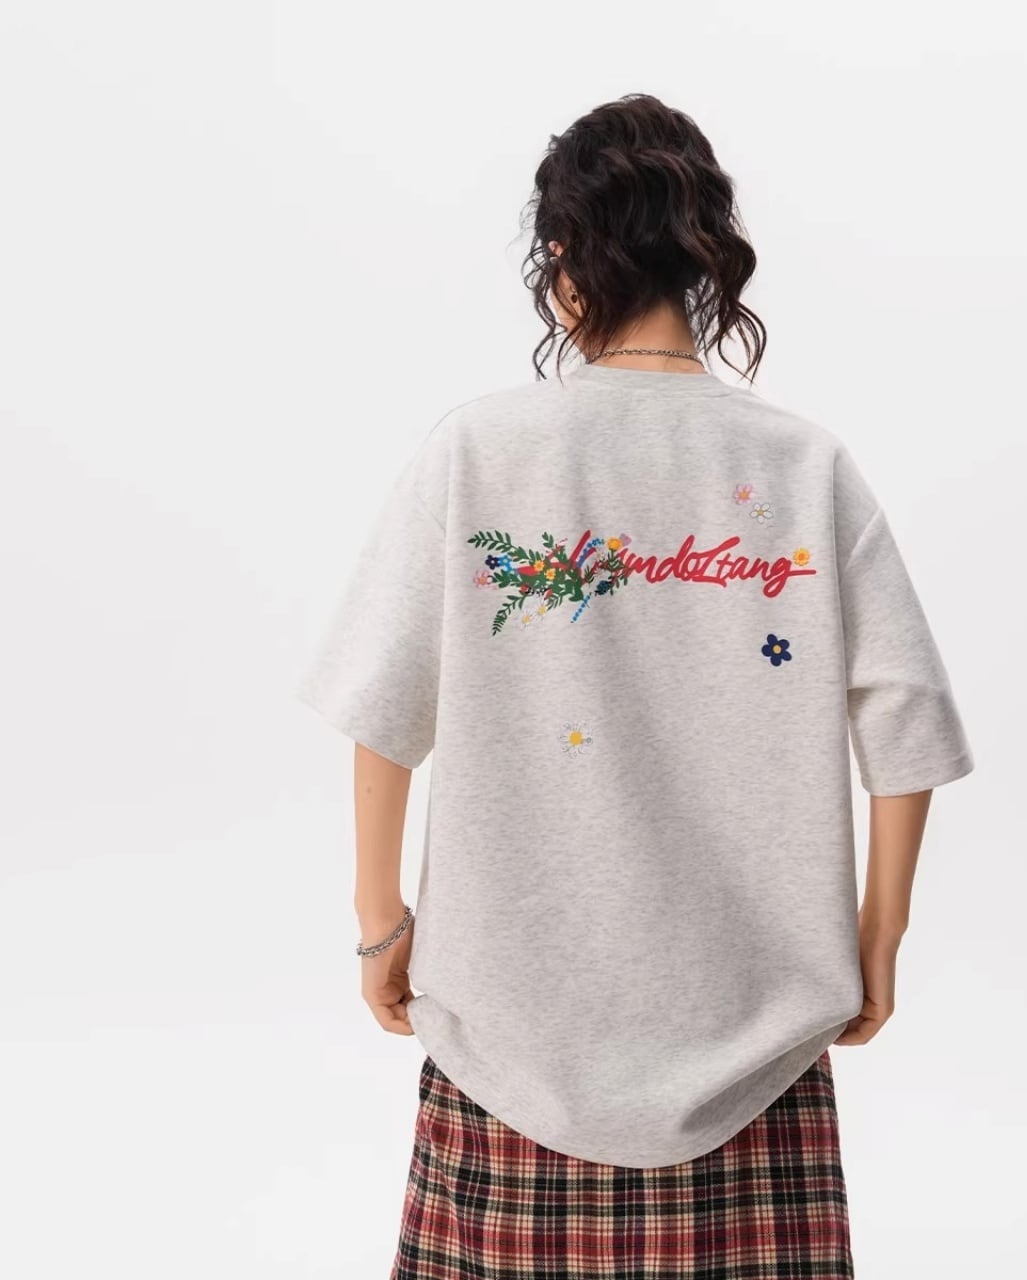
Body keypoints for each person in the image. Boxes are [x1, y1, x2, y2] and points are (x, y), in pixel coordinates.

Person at [298, 91, 975, 1280]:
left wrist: (379, 921)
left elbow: (382, 708)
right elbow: (905, 721)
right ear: (702, 252)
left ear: (563, 257)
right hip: (754, 1035)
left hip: (511, 1027)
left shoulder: (480, 450)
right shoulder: (801, 463)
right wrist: (880, 933)